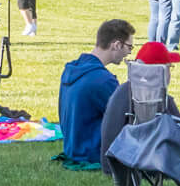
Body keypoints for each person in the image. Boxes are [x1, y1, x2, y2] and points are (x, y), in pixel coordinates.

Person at [56, 19, 132, 166]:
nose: (129, 53)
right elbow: (128, 118)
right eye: (129, 47)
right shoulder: (102, 80)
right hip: (91, 153)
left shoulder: (74, 68)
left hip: (73, 147)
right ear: (116, 45)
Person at [98, 39, 180, 161]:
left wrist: (109, 167)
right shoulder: (163, 99)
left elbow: (109, 131)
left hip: (121, 160)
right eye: (169, 67)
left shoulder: (122, 91)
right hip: (156, 164)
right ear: (161, 71)